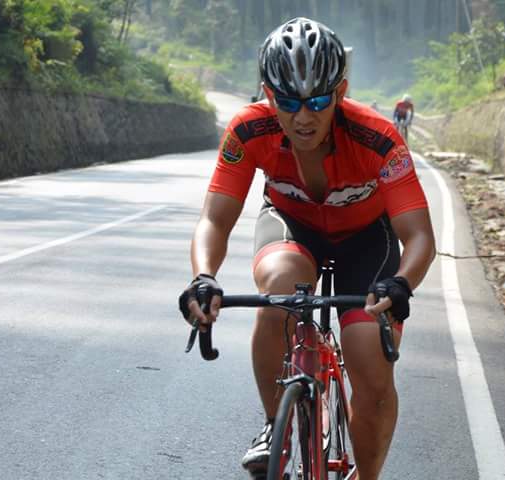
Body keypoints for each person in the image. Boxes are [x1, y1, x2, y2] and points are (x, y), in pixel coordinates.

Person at [178, 17, 435, 480]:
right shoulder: (249, 130)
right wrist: (203, 276)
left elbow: (418, 235)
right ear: (267, 94)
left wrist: (401, 283)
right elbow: (214, 218)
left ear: (340, 92)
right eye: (288, 102)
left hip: (365, 240)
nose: (303, 117)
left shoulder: (378, 137)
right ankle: (273, 423)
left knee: (371, 370)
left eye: (317, 101)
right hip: (292, 229)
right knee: (279, 288)